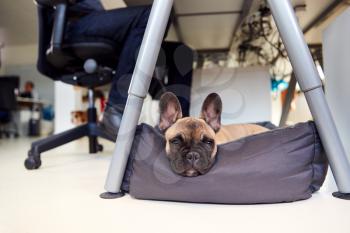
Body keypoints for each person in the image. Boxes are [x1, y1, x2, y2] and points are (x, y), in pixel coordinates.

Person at [40, 0, 193, 139]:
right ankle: (115, 109)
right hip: (73, 24)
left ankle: (178, 126)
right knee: (154, 15)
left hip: (98, 26)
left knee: (181, 53)